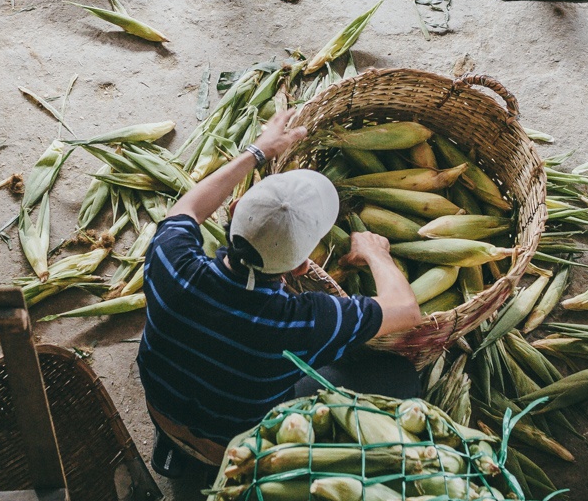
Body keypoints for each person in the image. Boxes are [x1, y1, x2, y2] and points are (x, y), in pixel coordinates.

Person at [137, 103, 423, 480]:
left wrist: (258, 152)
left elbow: (189, 206)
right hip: (232, 445)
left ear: (235, 208)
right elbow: (406, 309)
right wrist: (376, 253)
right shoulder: (302, 322)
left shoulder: (172, 260)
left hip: (161, 409)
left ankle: (175, 445)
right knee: (399, 378)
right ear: (303, 267)